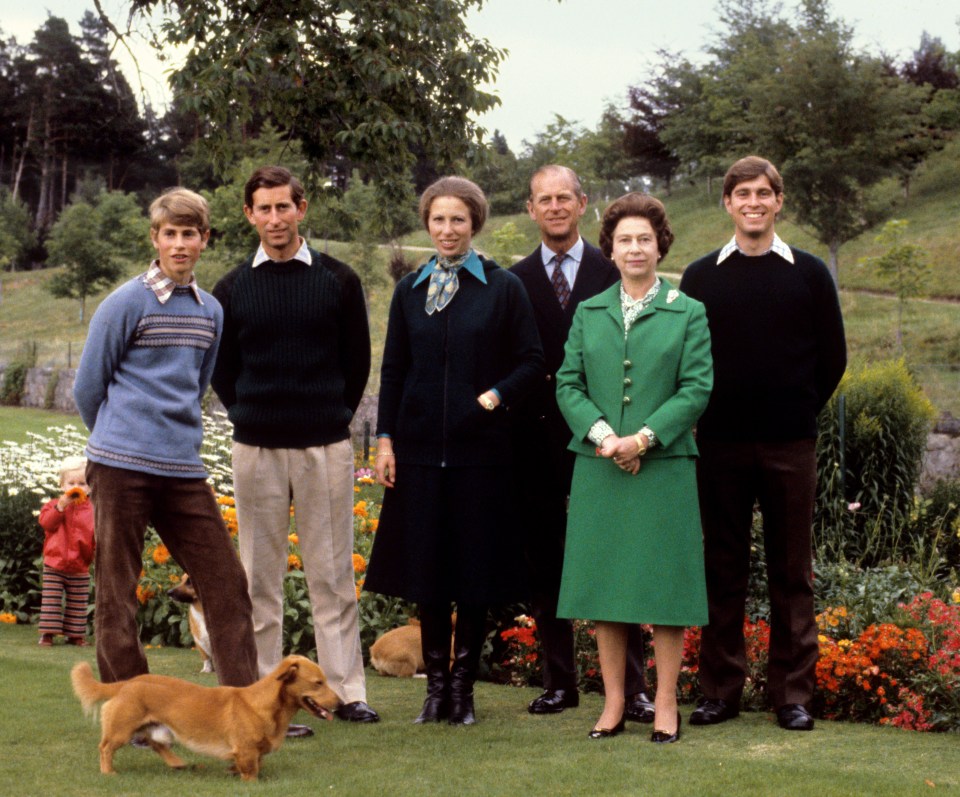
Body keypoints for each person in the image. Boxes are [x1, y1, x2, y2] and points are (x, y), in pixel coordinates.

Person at [364, 176, 544, 725]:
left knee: (473, 574)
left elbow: (532, 362)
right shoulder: (409, 290)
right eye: (438, 220)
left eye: (458, 220)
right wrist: (385, 440)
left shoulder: (502, 286)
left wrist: (490, 398)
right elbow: (393, 371)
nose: (447, 229)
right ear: (427, 224)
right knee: (429, 572)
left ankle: (463, 689)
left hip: (482, 456)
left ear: (475, 224)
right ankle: (434, 687)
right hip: (417, 455)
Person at [680, 156, 847, 732]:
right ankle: (720, 691)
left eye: (763, 193)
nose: (753, 201)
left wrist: (796, 411)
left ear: (779, 201)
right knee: (721, 567)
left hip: (789, 444)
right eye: (742, 193)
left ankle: (792, 695)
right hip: (719, 444)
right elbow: (687, 362)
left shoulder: (808, 273)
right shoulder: (701, 277)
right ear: (727, 203)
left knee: (791, 571)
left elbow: (833, 358)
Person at [211, 165, 378, 729]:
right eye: (264, 208)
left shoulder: (338, 279)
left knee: (331, 574)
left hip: (323, 445)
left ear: (302, 209)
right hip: (255, 446)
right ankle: (266, 697)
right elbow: (223, 370)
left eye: (285, 207)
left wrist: (330, 415)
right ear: (249, 215)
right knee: (259, 577)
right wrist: (250, 413)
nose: (275, 219)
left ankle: (347, 692)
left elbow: (357, 363)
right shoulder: (232, 288)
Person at [74, 187, 258, 688]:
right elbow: (88, 386)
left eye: (189, 234)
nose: (180, 244)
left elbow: (196, 387)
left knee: (225, 582)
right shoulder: (125, 302)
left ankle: (244, 703)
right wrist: (118, 441)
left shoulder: (210, 312)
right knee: (117, 589)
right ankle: (131, 709)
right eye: (170, 234)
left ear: (204, 240)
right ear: (155, 238)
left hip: (182, 469)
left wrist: (164, 439)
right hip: (120, 466)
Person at [556, 192, 712, 743]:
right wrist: (605, 438)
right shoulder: (589, 310)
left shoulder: (688, 311)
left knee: (666, 589)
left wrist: (642, 439)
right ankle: (615, 703)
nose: (635, 247)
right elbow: (567, 383)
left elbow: (697, 388)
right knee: (605, 588)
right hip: (599, 467)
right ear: (612, 248)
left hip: (664, 466)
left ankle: (666, 702)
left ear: (660, 244)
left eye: (645, 238)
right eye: (625, 239)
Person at [509, 165, 655, 722]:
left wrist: (627, 436)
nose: (554, 207)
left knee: (619, 558)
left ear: (582, 203)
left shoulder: (613, 268)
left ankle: (635, 689)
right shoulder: (515, 279)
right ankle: (559, 682)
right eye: (543, 199)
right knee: (547, 562)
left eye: (563, 198)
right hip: (538, 439)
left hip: (610, 439)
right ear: (530, 209)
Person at [37, 455, 95, 647]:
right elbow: (46, 523)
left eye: (82, 483)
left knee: (78, 602)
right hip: (55, 562)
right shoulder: (54, 505)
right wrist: (60, 507)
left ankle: (75, 634)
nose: (76, 487)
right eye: (71, 483)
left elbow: (97, 534)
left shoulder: (93, 509)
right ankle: (47, 633)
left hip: (80, 564)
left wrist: (92, 555)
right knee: (51, 600)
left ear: (90, 486)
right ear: (62, 485)